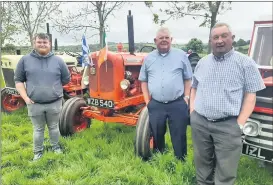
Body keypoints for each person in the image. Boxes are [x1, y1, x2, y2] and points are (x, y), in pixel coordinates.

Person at [190, 23, 265, 185]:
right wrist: (192, 113)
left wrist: (239, 124)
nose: (219, 40)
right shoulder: (202, 62)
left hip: (228, 126)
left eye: (224, 36)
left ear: (232, 38)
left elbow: (251, 96)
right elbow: (194, 88)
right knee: (202, 166)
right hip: (200, 123)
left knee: (226, 172)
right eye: (215, 37)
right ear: (210, 41)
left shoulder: (246, 63)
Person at [138, 27, 193, 160]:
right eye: (161, 38)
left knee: (179, 133)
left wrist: (186, 97)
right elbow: (143, 81)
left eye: (166, 38)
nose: (164, 40)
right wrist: (147, 101)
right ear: (155, 40)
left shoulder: (181, 56)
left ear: (171, 40)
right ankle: (160, 157)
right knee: (157, 133)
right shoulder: (148, 59)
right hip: (156, 104)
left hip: (178, 103)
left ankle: (180, 160)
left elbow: (188, 78)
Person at [14, 33, 71, 161]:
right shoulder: (25, 60)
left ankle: (56, 147)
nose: (42, 44)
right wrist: (26, 98)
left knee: (54, 127)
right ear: (34, 43)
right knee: (38, 129)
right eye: (39, 42)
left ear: (49, 44)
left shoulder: (58, 61)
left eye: (45, 42)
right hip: (34, 103)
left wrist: (52, 89)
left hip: (54, 103)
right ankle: (37, 152)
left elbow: (66, 79)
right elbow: (18, 81)